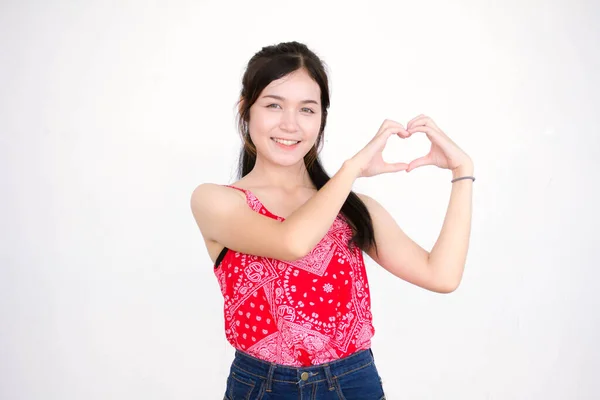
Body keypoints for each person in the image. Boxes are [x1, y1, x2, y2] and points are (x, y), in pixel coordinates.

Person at [190, 41, 474, 400]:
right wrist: (351, 169)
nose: (290, 124)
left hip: (353, 381)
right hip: (264, 387)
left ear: (321, 118)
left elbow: (441, 275)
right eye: (274, 105)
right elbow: (292, 242)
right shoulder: (216, 200)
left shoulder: (352, 209)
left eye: (307, 109)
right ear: (245, 110)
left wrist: (463, 173)